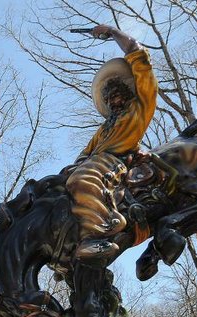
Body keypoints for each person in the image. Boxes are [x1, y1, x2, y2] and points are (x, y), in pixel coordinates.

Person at [65, 24, 158, 262]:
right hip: (95, 161)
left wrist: (114, 32)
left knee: (82, 179)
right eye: (107, 95)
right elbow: (85, 154)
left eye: (116, 91)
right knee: (59, 185)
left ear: (127, 91)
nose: (112, 97)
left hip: (115, 162)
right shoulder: (103, 129)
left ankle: (100, 233)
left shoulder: (140, 107)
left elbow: (139, 56)